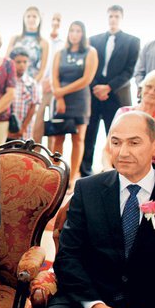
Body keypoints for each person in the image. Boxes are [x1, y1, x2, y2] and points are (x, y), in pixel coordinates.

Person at [18, 111, 155, 308]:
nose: (123, 152)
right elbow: (68, 257)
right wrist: (95, 307)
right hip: (87, 302)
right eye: (116, 142)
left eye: (134, 142)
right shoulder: (88, 189)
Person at [80, 5, 140, 177]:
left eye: (116, 16)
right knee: (89, 134)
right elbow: (88, 67)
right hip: (94, 94)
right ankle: (85, 172)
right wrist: (97, 87)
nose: (113, 19)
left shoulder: (132, 41)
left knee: (116, 135)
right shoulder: (93, 40)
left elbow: (129, 71)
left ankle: (114, 172)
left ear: (121, 18)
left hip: (116, 95)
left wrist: (108, 87)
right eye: (110, 16)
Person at [49, 21, 98, 190]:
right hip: (60, 101)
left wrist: (61, 91)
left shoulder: (90, 52)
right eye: (72, 31)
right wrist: (59, 97)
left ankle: (72, 177)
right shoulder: (60, 53)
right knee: (58, 137)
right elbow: (54, 77)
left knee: (78, 139)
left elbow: (86, 79)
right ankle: (55, 175)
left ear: (83, 34)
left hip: (80, 99)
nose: (74, 34)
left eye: (78, 31)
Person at [102, 70, 155, 171]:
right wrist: (108, 170)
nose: (151, 92)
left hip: (151, 172)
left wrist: (140, 173)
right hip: (119, 170)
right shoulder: (123, 112)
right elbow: (107, 150)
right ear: (142, 87)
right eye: (149, 86)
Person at [33, 12, 63, 143]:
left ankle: (51, 154)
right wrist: (41, 82)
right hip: (40, 86)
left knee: (53, 124)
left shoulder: (64, 43)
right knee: (37, 122)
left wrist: (52, 83)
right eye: (53, 19)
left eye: (58, 20)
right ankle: (35, 151)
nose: (55, 22)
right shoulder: (41, 41)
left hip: (56, 88)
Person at [5, 6, 50, 83]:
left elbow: (42, 70)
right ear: (24, 19)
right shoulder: (15, 39)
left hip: (32, 81)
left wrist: (32, 84)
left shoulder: (43, 43)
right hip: (12, 81)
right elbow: (6, 61)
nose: (31, 19)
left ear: (40, 19)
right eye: (28, 16)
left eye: (34, 16)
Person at [8, 47, 40, 140]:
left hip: (24, 129)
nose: (22, 65)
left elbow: (33, 107)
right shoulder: (7, 82)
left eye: (25, 62)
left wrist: (23, 127)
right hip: (6, 129)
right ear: (11, 62)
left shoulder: (31, 84)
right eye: (18, 62)